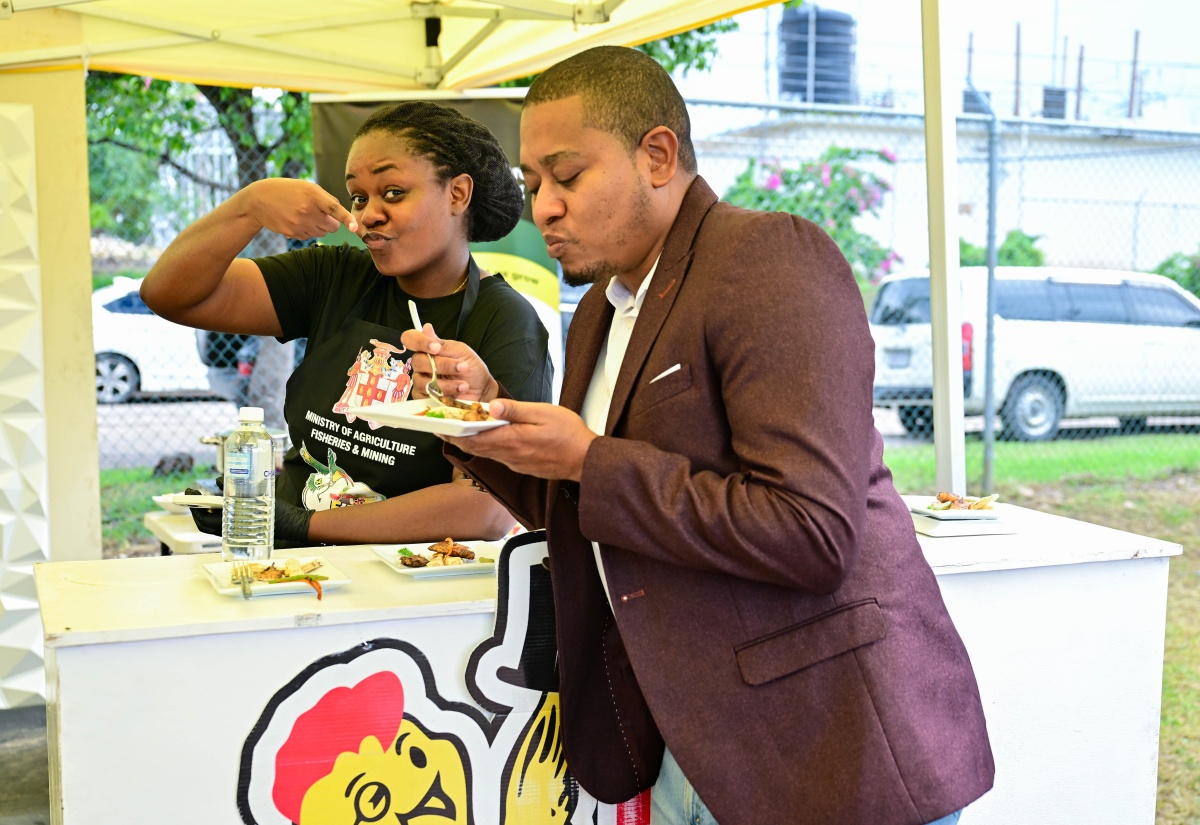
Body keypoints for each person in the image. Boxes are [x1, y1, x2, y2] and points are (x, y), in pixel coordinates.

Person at [401, 46, 994, 825]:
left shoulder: (766, 258)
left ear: (656, 155)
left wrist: (590, 458)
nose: (543, 207)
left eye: (567, 175)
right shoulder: (600, 314)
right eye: (533, 182)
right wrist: (482, 419)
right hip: (694, 734)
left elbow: (811, 531)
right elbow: (591, 508)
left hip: (826, 745)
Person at [141, 101, 552, 547]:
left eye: (393, 192)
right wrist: (250, 206)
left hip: (407, 592)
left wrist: (300, 525)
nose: (369, 214)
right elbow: (169, 293)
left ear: (457, 194)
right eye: (359, 197)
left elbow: (484, 507)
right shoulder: (334, 277)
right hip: (289, 568)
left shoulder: (505, 321)